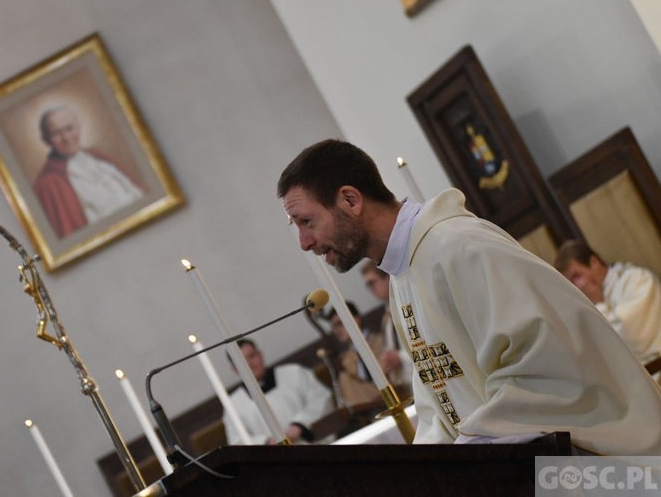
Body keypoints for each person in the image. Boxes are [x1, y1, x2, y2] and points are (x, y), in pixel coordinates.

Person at [277, 138, 661, 455]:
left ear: (350, 200)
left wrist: (467, 456)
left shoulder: (459, 248)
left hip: (611, 465)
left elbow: (544, 366)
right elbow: (437, 403)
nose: (304, 242)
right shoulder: (404, 276)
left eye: (307, 222)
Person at [33, 106, 145, 239]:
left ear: (78, 127)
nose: (67, 138)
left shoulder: (98, 156)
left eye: (70, 128)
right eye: (57, 133)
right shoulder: (48, 184)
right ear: (46, 139)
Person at [554, 239, 661, 365]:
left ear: (594, 262)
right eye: (571, 284)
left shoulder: (637, 279)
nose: (578, 287)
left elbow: (629, 338)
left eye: (577, 276)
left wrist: (598, 304)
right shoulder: (584, 309)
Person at [223, 339, 333, 445]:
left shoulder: (294, 373)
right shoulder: (233, 405)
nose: (249, 364)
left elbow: (321, 398)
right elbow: (237, 441)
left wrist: (300, 425)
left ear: (260, 355)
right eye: (241, 361)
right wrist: (266, 441)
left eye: (251, 356)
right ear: (234, 369)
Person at [360, 261, 414, 396]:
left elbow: (428, 343)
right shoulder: (388, 317)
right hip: (410, 385)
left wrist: (399, 358)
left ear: (388, 278)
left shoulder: (409, 304)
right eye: (368, 286)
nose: (371, 289)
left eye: (372, 283)